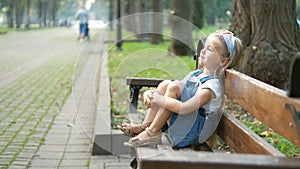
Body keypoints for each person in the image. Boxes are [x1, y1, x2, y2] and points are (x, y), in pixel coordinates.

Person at [121, 30, 243, 148]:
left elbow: (184, 108)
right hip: (186, 125)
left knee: (174, 86)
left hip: (192, 133)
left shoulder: (212, 87)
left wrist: (159, 99)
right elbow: (172, 91)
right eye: (205, 47)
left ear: (223, 61)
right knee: (166, 84)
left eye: (210, 49)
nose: (203, 51)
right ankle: (146, 127)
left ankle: (152, 132)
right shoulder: (197, 74)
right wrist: (152, 94)